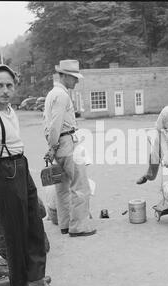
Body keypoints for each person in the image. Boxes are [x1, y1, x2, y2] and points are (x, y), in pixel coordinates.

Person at [0, 64, 60, 286]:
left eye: (9, 85)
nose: (5, 90)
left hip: (19, 166)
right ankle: (23, 282)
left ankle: (35, 277)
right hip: (4, 172)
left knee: (33, 224)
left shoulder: (9, 111)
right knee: (15, 230)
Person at [43, 59, 96, 237]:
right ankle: (79, 226)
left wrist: (51, 147)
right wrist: (53, 145)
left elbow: (48, 124)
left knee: (62, 187)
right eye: (74, 77)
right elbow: (56, 125)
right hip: (66, 142)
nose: (77, 81)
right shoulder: (62, 95)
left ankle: (65, 224)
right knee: (80, 186)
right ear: (64, 76)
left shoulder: (52, 94)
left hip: (59, 144)